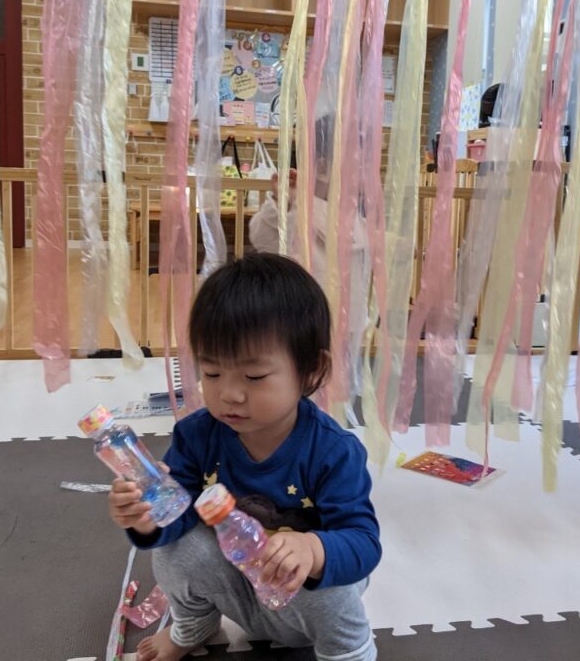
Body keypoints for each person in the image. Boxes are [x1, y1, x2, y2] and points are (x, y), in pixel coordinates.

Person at [108, 253, 381, 661]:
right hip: (238, 586)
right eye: (212, 373)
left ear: (311, 371)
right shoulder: (196, 435)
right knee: (176, 550)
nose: (229, 394)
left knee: (330, 587)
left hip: (304, 600)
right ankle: (195, 626)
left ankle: (349, 654)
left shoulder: (333, 452)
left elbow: (363, 542)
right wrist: (148, 517)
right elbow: (178, 518)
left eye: (254, 377)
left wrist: (312, 550)